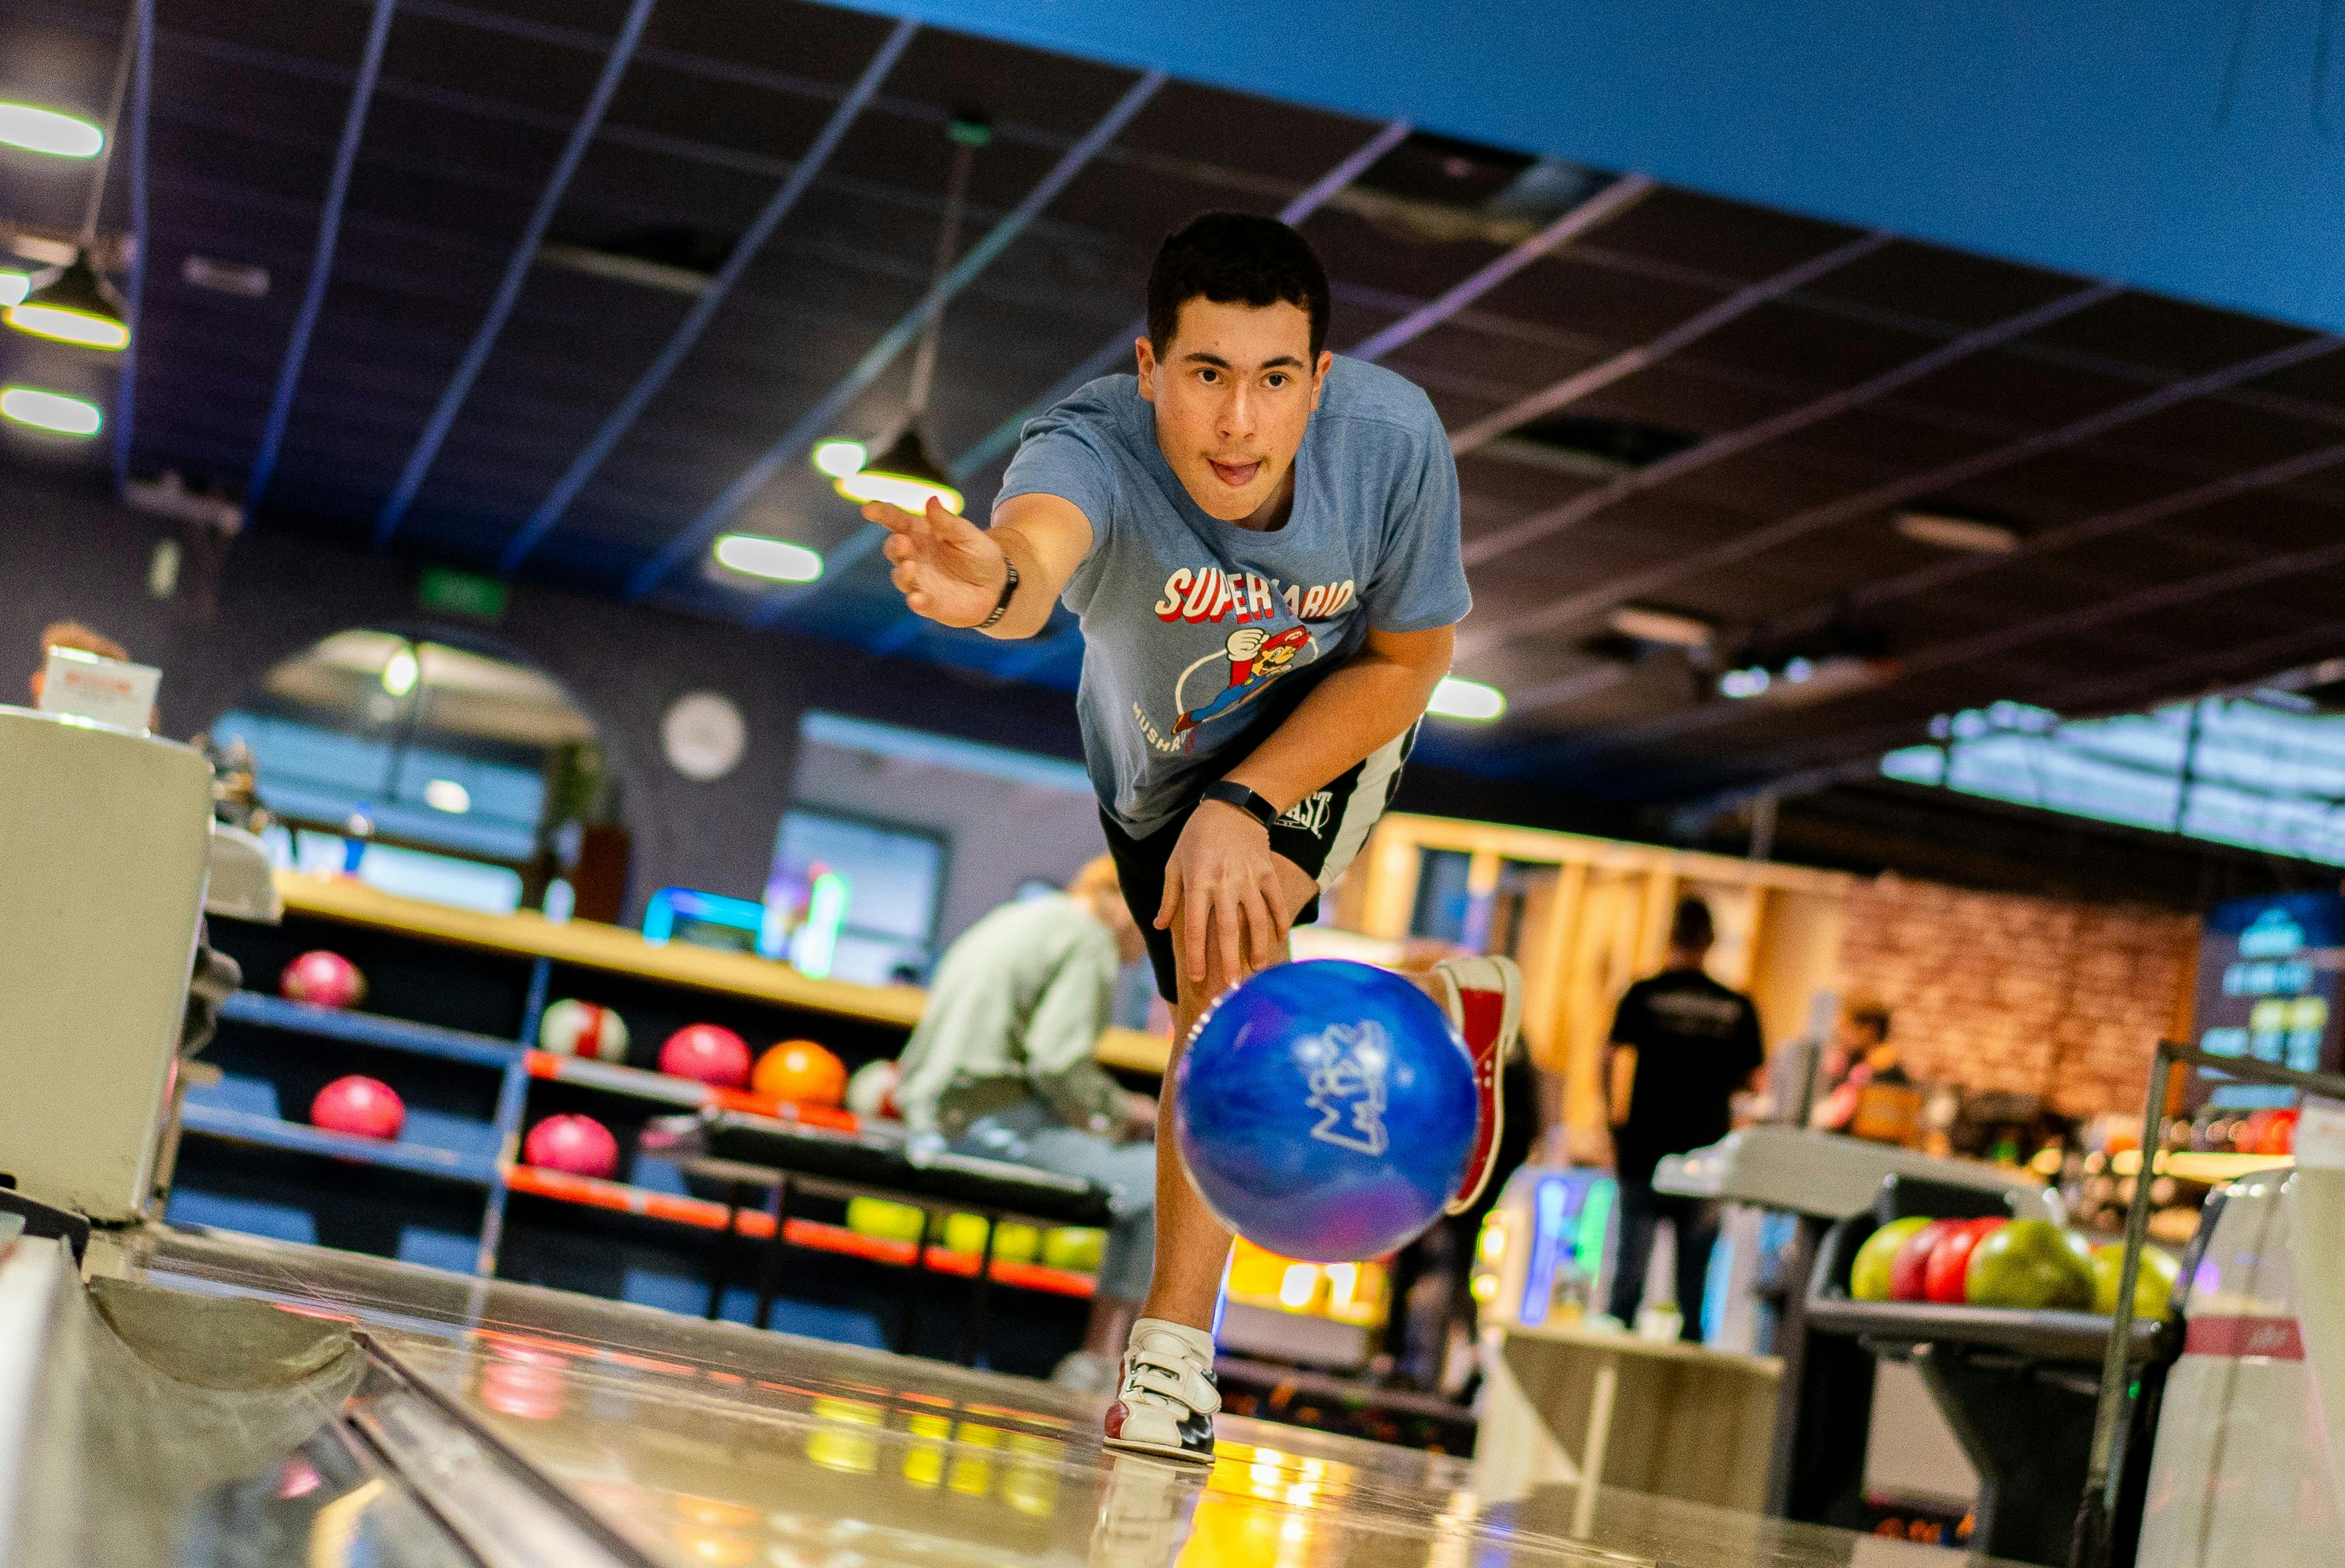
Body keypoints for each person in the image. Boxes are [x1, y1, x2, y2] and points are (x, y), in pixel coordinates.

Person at [868, 211, 1521, 1459]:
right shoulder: (1087, 446)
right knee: (1223, 994)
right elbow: (1034, 552)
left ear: (1316, 380)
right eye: (1206, 374)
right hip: (1152, 780)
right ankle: (1429, 1028)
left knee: (1222, 972)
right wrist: (988, 586)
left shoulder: (1389, 441)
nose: (1237, 422)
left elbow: (1408, 661)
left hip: (1323, 729)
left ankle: (1169, 1364)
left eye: (1273, 380)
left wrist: (1248, 801)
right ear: (1148, 367)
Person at [892, 857, 1160, 1388]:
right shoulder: (1089, 938)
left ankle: (1106, 1358)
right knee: (1159, 1185)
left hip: (933, 1119)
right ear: (1132, 909)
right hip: (986, 1128)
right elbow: (1056, 1062)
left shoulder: (1019, 916)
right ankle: (1106, 1361)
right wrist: (1121, 1110)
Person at [1603, 897, 1764, 1341]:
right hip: (1706, 1155)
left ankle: (1615, 1366)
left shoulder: (1643, 994)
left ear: (1669, 936)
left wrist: (1613, 1126)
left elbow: (1610, 1060)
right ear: (1711, 942)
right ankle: (1685, 1367)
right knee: (1694, 1288)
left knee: (1627, 1281)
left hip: (1643, 1150)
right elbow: (1754, 1085)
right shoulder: (1736, 1005)